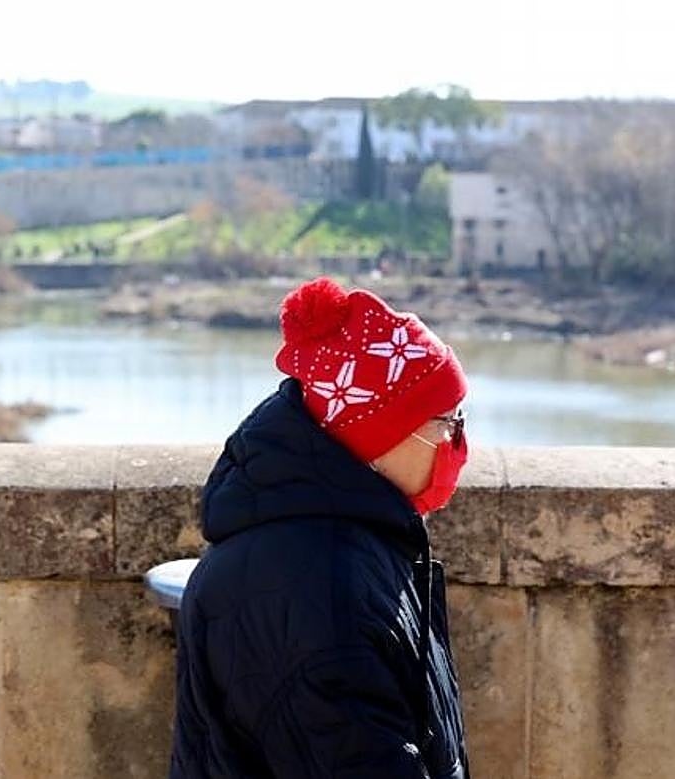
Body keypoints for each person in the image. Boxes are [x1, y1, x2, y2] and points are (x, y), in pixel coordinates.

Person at [170, 277, 471, 778]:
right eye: (446, 422)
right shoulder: (322, 592)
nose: (456, 441)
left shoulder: (342, 544)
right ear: (380, 435)